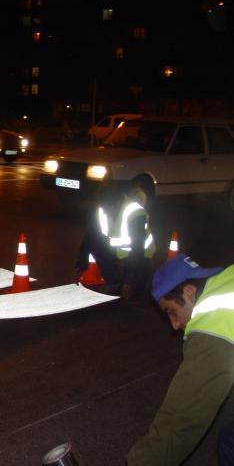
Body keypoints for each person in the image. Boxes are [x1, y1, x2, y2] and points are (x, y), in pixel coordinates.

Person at [126, 253, 234, 465]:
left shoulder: (212, 325)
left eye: (171, 311)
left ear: (188, 292)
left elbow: (182, 420)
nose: (174, 325)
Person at [75, 185, 156, 299]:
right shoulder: (102, 210)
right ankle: (113, 282)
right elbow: (90, 237)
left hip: (140, 260)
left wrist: (129, 282)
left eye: (108, 208)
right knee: (95, 242)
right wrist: (81, 266)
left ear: (117, 204)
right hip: (117, 256)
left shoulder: (134, 213)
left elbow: (137, 250)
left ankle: (125, 284)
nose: (105, 212)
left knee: (136, 293)